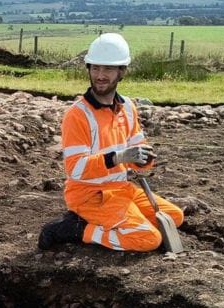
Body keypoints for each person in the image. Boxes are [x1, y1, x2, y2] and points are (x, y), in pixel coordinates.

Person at [39, 32, 184, 252]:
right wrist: (119, 157)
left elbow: (138, 153)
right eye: (95, 68)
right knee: (148, 239)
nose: (100, 75)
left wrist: (144, 159)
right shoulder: (77, 115)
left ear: (121, 72)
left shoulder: (127, 107)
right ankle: (78, 230)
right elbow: (75, 170)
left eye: (107, 69)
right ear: (88, 69)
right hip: (90, 195)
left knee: (174, 217)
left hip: (121, 189)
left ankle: (109, 224)